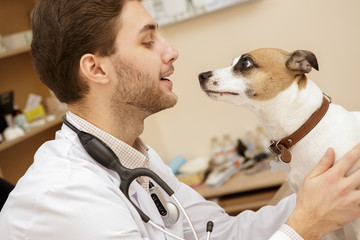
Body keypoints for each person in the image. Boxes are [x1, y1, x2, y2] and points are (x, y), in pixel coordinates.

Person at [1, 0, 360, 239]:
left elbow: (217, 232)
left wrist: (312, 198)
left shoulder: (136, 159)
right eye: (148, 41)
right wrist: (305, 224)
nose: (172, 51)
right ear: (96, 68)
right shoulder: (65, 197)